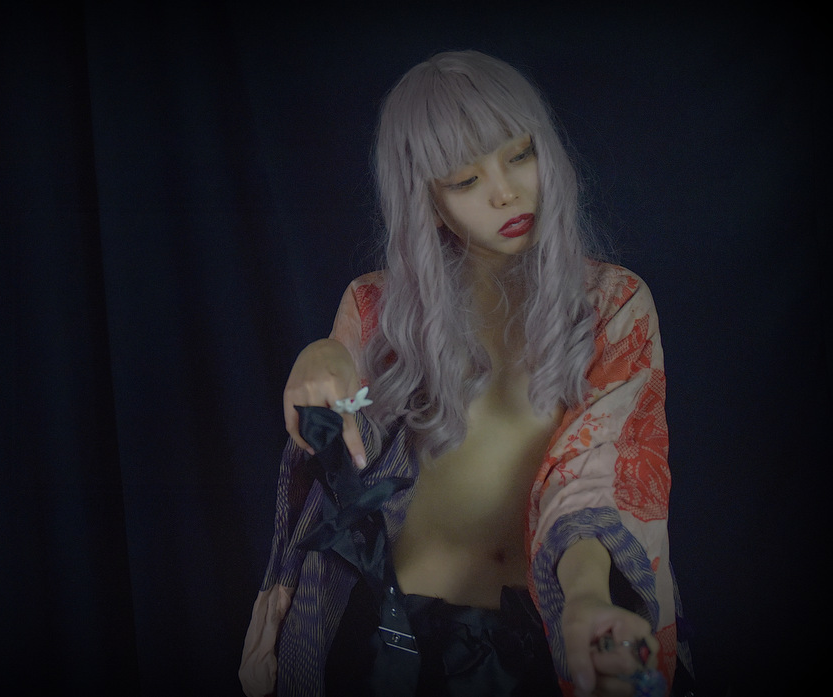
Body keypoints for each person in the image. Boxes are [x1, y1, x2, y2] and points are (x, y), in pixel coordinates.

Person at [240, 50, 692, 697]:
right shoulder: (375, 308)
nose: (505, 191)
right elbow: (339, 418)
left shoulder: (612, 305)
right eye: (465, 179)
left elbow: (601, 479)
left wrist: (589, 602)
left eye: (519, 155)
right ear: (425, 199)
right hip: (390, 642)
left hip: (539, 635)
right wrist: (323, 354)